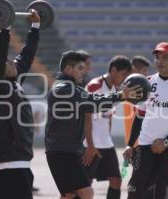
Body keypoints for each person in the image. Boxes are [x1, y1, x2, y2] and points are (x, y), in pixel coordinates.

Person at [45, 51, 142, 199]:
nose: (83, 72)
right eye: (80, 68)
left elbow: (93, 102)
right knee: (86, 192)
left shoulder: (73, 88)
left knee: (70, 194)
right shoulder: (62, 89)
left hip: (69, 151)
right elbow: (91, 102)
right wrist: (120, 95)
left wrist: (119, 95)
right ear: (69, 69)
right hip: (62, 152)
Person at [0, 10, 40, 199]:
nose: (13, 61)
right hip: (6, 165)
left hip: (21, 163)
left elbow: (26, 57)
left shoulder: (14, 82)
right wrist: (5, 28)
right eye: (7, 60)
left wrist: (35, 27)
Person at [123, 42, 168, 199]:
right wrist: (130, 144)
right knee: (135, 191)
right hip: (144, 147)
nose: (160, 61)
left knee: (163, 192)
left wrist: (166, 142)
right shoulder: (146, 82)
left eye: (165, 57)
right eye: (157, 57)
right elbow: (139, 117)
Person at [83, 55, 132, 199]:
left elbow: (109, 117)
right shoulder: (94, 85)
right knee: (84, 185)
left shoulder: (117, 89)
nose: (124, 79)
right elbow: (87, 118)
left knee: (116, 180)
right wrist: (90, 146)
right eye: (123, 74)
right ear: (114, 70)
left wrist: (107, 136)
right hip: (90, 144)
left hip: (106, 143)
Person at [124, 55, 151, 145]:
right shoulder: (126, 92)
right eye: (145, 70)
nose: (147, 74)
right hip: (134, 143)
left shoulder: (145, 90)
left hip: (142, 141)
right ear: (135, 70)